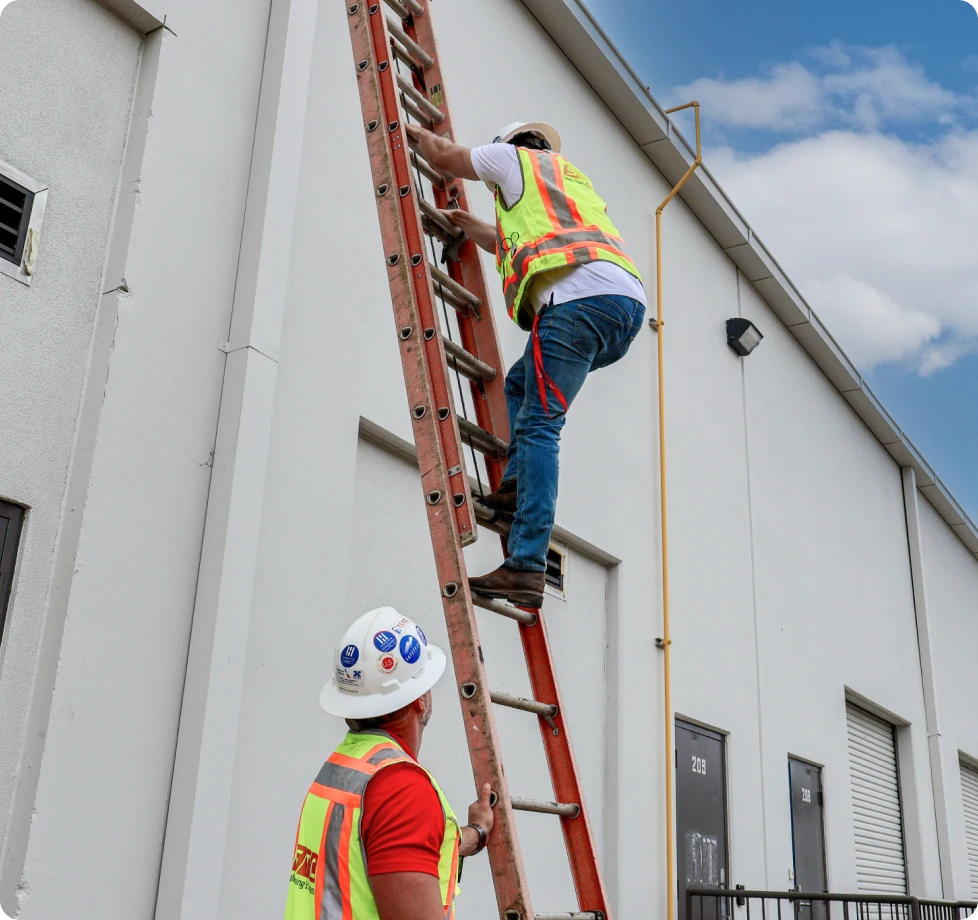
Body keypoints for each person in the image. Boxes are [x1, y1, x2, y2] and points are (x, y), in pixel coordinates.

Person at [406, 120, 647, 610]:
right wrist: (474, 229)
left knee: (540, 425)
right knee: (520, 385)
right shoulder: (563, 178)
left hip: (577, 302)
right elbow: (520, 241)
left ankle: (526, 565)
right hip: (621, 308)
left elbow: (445, 155)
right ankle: (517, 486)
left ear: (505, 148)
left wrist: (407, 131)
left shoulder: (509, 160)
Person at [285, 607, 495, 920]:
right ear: (420, 700)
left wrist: (477, 831)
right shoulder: (401, 790)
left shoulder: (347, 768)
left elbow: (393, 844)